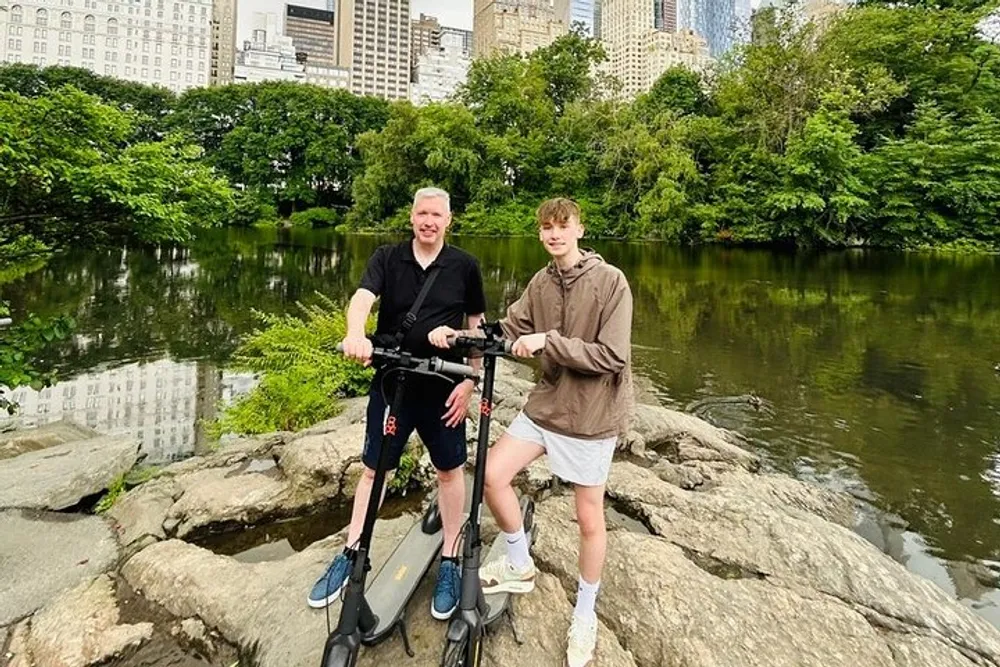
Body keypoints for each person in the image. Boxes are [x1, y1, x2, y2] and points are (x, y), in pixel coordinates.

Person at [430, 197, 632, 667]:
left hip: (591, 415)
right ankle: (520, 563)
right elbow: (506, 328)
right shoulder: (542, 282)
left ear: (580, 229)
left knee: (588, 519)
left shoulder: (610, 281)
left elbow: (613, 356)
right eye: (546, 227)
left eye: (562, 226)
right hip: (547, 406)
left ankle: (585, 614)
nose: (554, 234)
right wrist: (458, 335)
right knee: (492, 475)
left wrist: (549, 343)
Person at [308, 187, 487, 623]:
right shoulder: (387, 258)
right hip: (393, 384)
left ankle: (448, 555)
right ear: (412, 217)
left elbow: (476, 327)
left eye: (437, 215)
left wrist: (472, 383)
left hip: (445, 386)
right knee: (375, 468)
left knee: (449, 469)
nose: (429, 221)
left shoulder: (465, 266)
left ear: (449, 219)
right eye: (422, 213)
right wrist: (356, 333)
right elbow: (362, 299)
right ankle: (352, 551)